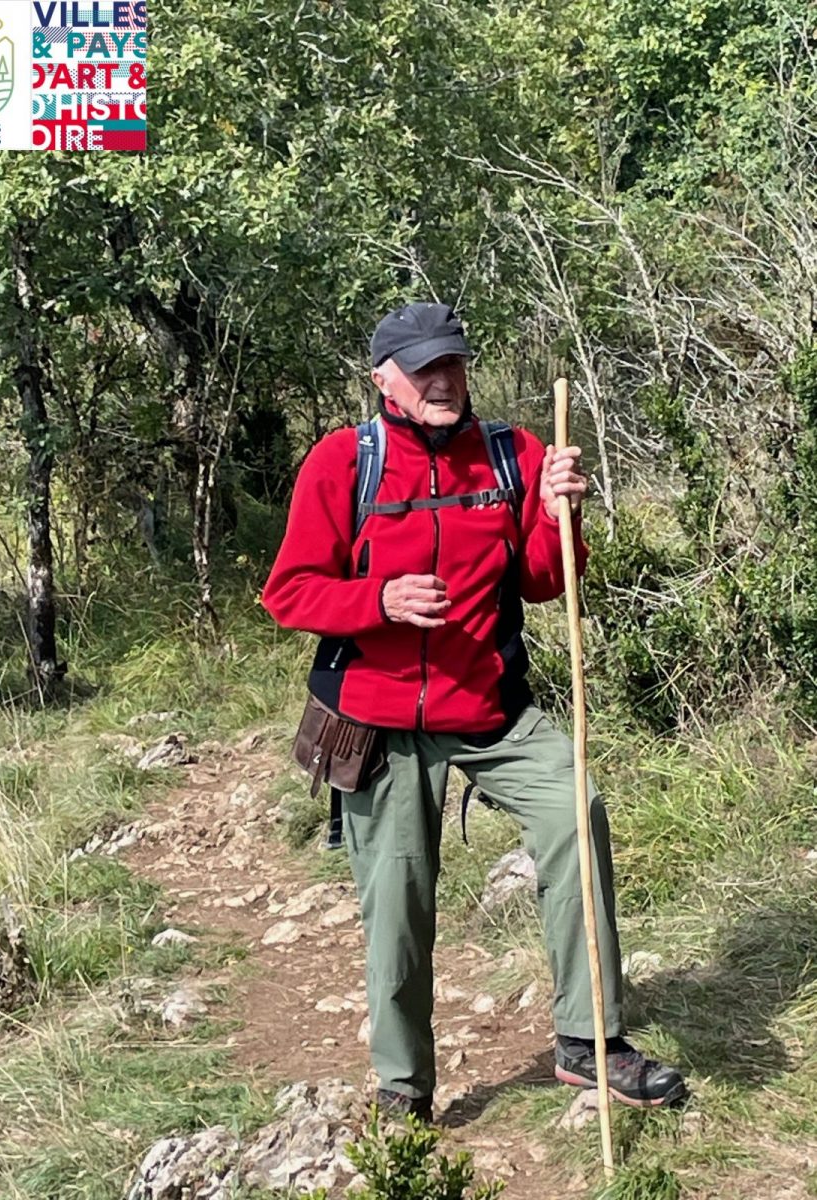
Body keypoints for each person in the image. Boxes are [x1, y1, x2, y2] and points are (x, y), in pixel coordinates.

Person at [261, 301, 686, 1121]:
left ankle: (588, 1043)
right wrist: (378, 599)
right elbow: (288, 591)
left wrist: (563, 513)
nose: (444, 380)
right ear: (385, 379)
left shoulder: (513, 453)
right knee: (398, 902)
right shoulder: (342, 463)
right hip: (379, 720)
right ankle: (403, 1090)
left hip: (490, 703)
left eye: (452, 363)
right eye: (424, 368)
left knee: (575, 807)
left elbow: (542, 579)